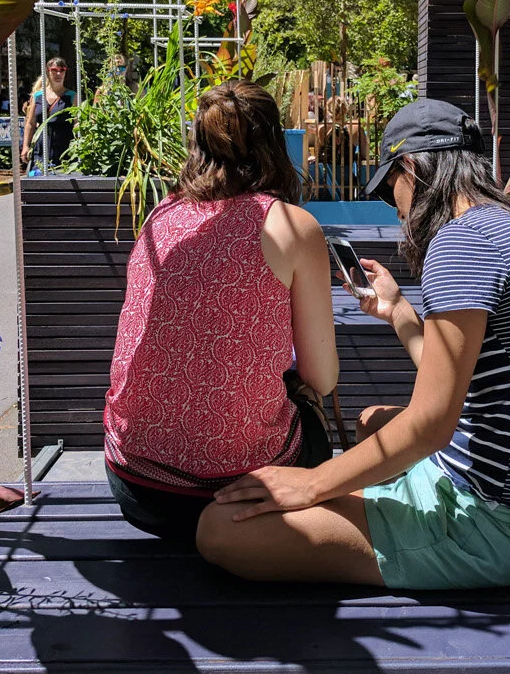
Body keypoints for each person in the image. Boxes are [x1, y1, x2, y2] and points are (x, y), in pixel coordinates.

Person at [197, 99, 510, 590]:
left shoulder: (458, 245)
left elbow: (430, 425)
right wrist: (399, 310)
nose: (396, 205)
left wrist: (313, 483)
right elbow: (459, 383)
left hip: (483, 526)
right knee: (370, 422)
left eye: (389, 189)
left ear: (410, 167)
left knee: (219, 531)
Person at [102, 79, 339, 546]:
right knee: (311, 407)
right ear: (274, 142)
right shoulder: (293, 226)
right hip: (246, 490)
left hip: (135, 485)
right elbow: (323, 378)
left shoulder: (161, 218)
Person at [21, 57, 76, 171]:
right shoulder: (37, 96)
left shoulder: (72, 96)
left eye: (62, 70)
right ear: (48, 71)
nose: (58, 73)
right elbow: (30, 124)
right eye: (54, 70)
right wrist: (25, 146)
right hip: (41, 148)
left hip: (63, 148)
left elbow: (77, 122)